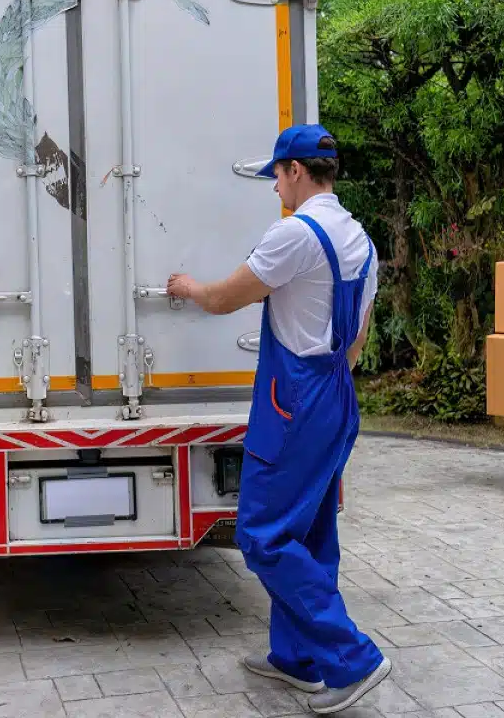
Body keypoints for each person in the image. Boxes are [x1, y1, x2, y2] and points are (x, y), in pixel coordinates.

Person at [167, 124, 390, 714]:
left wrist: (189, 288)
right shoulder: (361, 240)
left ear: (295, 172)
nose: (274, 189)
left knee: (261, 535)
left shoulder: (294, 234)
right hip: (336, 393)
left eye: (277, 177)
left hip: (295, 400)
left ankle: (352, 657)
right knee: (311, 532)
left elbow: (223, 299)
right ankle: (297, 659)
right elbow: (357, 343)